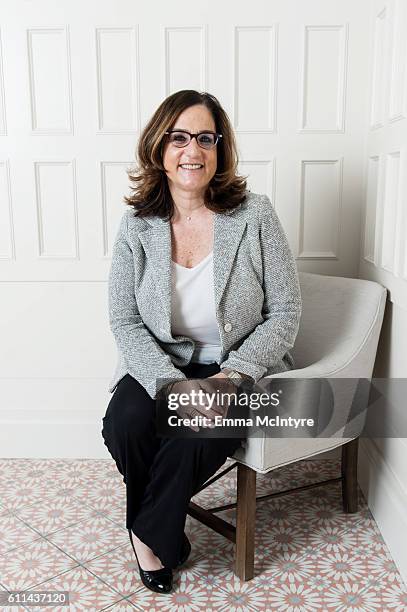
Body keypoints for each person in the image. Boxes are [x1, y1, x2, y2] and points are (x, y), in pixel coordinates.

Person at [101, 89, 302, 594]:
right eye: (180, 138)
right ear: (159, 148)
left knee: (195, 433)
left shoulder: (255, 214)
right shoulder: (137, 224)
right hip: (161, 364)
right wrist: (171, 387)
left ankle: (149, 538)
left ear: (220, 148)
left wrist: (230, 378)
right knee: (125, 423)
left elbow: (286, 312)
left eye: (206, 138)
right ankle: (163, 526)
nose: (194, 150)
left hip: (236, 370)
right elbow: (124, 319)